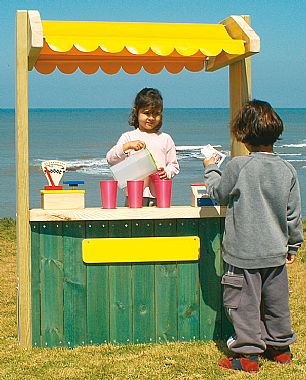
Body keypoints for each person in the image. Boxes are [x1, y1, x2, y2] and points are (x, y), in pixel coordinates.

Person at [203, 100, 304, 372]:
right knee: (276, 303)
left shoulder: (238, 166)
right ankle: (280, 347)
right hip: (275, 252)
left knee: (243, 305)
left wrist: (210, 167)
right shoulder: (287, 170)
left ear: (244, 135)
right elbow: (293, 214)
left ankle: (247, 355)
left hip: (243, 253)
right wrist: (293, 245)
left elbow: (218, 194)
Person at [106, 88, 180, 206]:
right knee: (133, 223)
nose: (151, 118)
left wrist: (167, 172)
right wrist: (126, 147)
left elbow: (174, 165)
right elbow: (110, 158)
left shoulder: (165, 138)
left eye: (156, 114)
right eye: (146, 113)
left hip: (159, 195)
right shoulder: (129, 137)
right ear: (136, 112)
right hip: (134, 195)